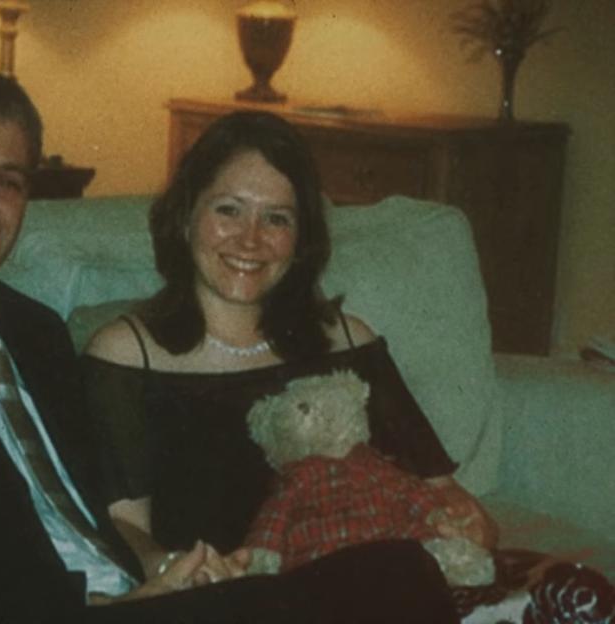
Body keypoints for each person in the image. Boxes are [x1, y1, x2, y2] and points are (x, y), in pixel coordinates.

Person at [0, 65, 458, 623]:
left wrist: (164, 569)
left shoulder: (33, 330)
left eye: (8, 182)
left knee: (394, 572)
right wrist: (93, 604)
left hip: (132, 603)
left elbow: (104, 512)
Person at [83, 110, 498, 610]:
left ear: (301, 238)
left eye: (276, 218)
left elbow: (443, 492)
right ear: (187, 215)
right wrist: (169, 567)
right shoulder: (126, 354)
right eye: (229, 210)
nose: (250, 239)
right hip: (226, 602)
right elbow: (123, 523)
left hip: (364, 593)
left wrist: (470, 524)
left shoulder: (347, 342)